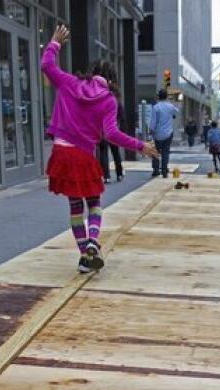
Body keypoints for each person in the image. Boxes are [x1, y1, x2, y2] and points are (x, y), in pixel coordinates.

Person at [42, 25, 157, 273]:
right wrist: (140, 146)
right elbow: (112, 135)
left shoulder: (70, 83)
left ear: (92, 73)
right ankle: (93, 241)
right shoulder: (109, 101)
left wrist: (54, 43)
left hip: (61, 154)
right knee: (94, 203)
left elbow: (47, 66)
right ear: (112, 80)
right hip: (83, 156)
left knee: (75, 207)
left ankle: (85, 255)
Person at [149, 89, 178, 178]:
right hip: (168, 133)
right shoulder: (170, 106)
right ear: (166, 96)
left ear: (158, 96)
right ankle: (164, 171)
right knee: (166, 152)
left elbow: (153, 121)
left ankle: (156, 170)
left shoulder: (156, 107)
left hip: (157, 134)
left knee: (155, 152)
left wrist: (151, 130)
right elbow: (176, 112)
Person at [98, 97, 125, 183]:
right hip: (113, 131)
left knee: (103, 153)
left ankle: (106, 176)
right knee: (116, 152)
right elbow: (122, 117)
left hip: (102, 131)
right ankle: (119, 174)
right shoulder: (116, 101)